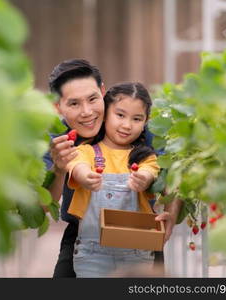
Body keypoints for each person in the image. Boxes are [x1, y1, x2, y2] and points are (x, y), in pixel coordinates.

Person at [44, 59, 180, 278]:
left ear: (103, 92)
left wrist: (171, 214)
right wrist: (62, 170)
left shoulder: (144, 132)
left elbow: (167, 174)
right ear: (58, 107)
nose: (87, 112)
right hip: (87, 242)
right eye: (74, 104)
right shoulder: (60, 140)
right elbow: (45, 202)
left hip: (140, 241)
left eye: (92, 99)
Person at [65, 82, 161, 277]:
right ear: (105, 113)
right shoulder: (86, 152)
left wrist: (143, 179)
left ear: (145, 122)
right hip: (92, 253)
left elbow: (150, 171)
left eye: (137, 119)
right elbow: (76, 165)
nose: (127, 125)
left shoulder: (146, 157)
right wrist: (85, 177)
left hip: (136, 254)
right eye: (120, 115)